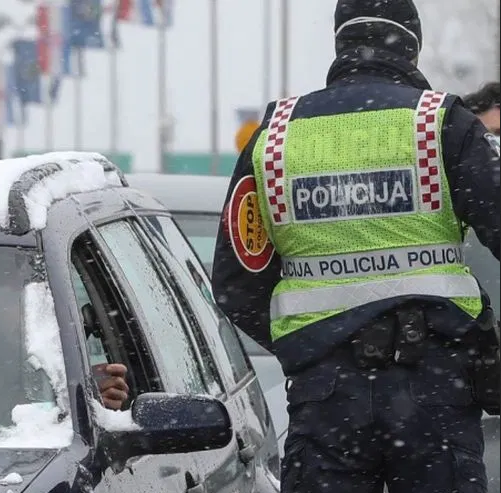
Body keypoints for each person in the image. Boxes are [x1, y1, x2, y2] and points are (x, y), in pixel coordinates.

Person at [210, 1, 500, 492]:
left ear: (339, 42)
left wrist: (313, 345)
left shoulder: (275, 138)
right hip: (436, 385)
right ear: (412, 46)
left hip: (325, 398)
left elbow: (236, 284)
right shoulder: (440, 123)